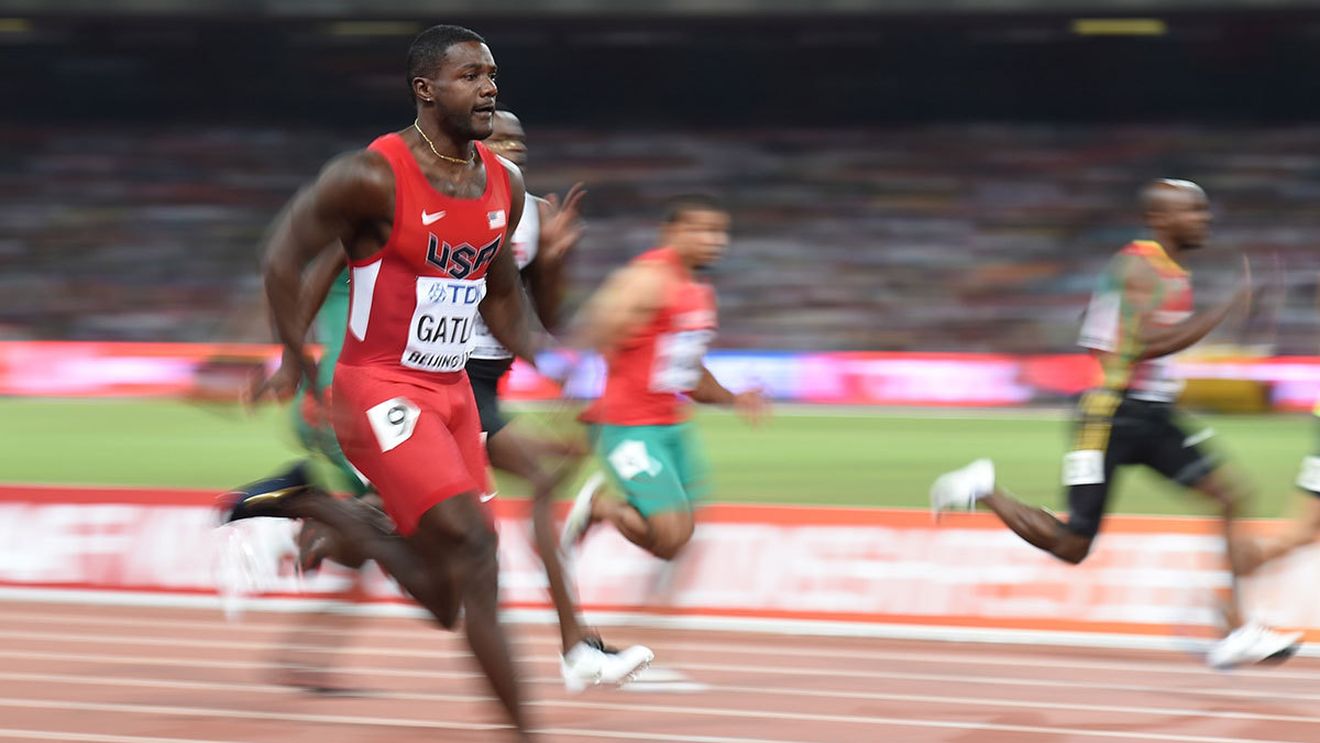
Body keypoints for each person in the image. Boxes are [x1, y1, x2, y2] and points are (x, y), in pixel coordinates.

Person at [223, 24, 543, 739]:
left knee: (453, 596)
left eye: (492, 74)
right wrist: (295, 354)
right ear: (426, 90)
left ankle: (318, 504)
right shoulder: (371, 174)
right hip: (380, 390)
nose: (489, 86)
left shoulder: (506, 186)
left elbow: (497, 295)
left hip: (453, 394)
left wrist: (556, 353)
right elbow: (283, 255)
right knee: (476, 544)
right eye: (470, 75)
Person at [930, 179, 1302, 670]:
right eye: (1193, 211)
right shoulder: (1139, 266)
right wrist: (1223, 311)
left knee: (1230, 495)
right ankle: (983, 488)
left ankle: (1235, 629)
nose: (1203, 220)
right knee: (1072, 545)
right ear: (1161, 219)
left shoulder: (1165, 271)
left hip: (1152, 413)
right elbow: (1144, 344)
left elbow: (1110, 323)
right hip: (1110, 416)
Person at [560, 194, 767, 565]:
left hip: (670, 427)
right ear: (671, 232)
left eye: (720, 232)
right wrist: (567, 391)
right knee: (670, 536)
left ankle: (613, 512)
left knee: (678, 539)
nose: (713, 240)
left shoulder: (699, 295)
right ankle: (600, 506)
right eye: (700, 229)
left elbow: (690, 374)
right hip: (627, 426)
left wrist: (735, 399)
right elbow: (595, 327)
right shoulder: (646, 279)